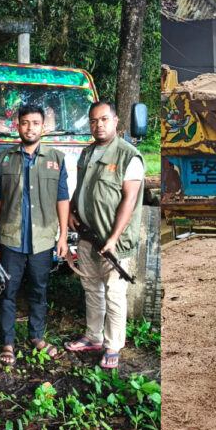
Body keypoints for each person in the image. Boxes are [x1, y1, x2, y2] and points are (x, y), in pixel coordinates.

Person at [64, 101, 145, 369]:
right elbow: (82, 187)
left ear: (116, 122)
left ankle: (113, 346)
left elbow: (129, 200)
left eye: (104, 119)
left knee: (114, 292)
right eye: (94, 121)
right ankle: (93, 336)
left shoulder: (127, 156)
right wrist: (73, 211)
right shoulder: (87, 153)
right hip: (88, 235)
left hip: (114, 242)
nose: (98, 125)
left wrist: (112, 239)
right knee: (91, 289)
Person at [0, 104, 69, 366]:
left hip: (43, 239)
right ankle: (7, 341)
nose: (30, 128)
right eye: (25, 123)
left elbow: (62, 198)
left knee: (39, 290)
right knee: (7, 291)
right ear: (17, 125)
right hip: (11, 239)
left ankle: (36, 336)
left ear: (43, 127)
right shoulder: (4, 158)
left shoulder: (56, 159)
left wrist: (62, 236)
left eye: (35, 123)